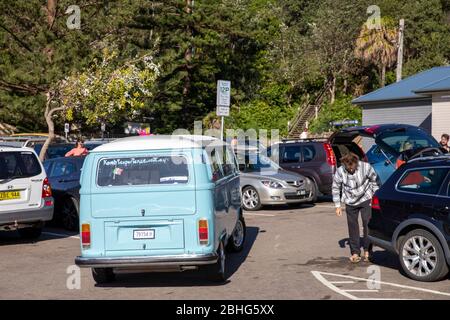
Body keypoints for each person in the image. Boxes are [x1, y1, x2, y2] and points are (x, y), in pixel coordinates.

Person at [332, 152, 379, 263]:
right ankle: (355, 252)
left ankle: (368, 250)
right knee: (352, 226)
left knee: (367, 224)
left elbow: (375, 181)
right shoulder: (340, 171)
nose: (351, 170)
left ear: (356, 163)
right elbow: (335, 187)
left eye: (352, 167)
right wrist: (337, 206)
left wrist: (374, 197)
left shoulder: (366, 167)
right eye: (348, 168)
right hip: (350, 200)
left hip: (366, 198)